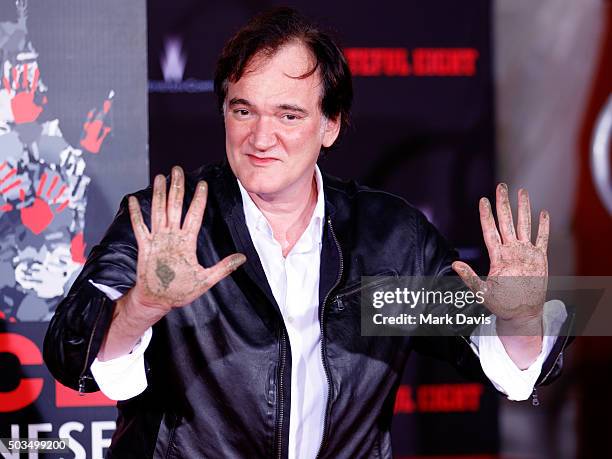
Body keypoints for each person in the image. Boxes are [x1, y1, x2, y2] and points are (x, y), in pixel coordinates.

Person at [43, 7, 570, 459]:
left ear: (330, 125)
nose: (260, 137)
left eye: (289, 115)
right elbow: (72, 352)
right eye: (242, 109)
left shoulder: (386, 239)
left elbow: (499, 358)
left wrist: (520, 313)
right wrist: (144, 305)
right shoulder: (167, 221)